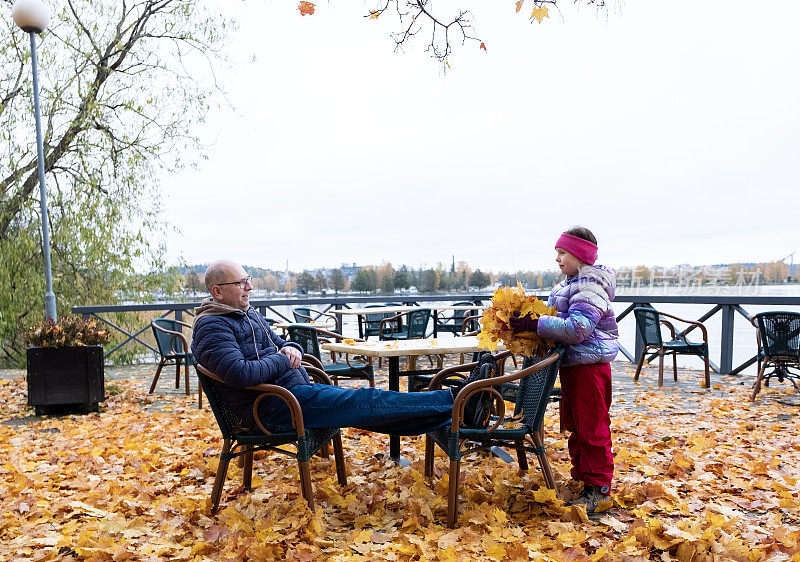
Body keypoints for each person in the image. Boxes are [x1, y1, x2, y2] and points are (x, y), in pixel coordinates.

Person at [191, 259, 495, 436]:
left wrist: (293, 347)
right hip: (273, 409)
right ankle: (458, 398)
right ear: (218, 291)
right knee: (368, 400)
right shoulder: (212, 326)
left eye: (248, 280)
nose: (250, 287)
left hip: (293, 396)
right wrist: (285, 361)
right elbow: (240, 373)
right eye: (241, 283)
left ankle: (460, 410)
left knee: (371, 409)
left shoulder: (246, 313)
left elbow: (281, 344)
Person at [509, 227, 619, 513]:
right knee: (576, 426)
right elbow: (557, 318)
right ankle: (581, 479)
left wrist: (535, 324)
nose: (557, 259)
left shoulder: (590, 285)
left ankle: (600, 489)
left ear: (580, 255)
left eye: (563, 253)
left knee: (593, 427)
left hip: (590, 366)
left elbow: (578, 328)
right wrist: (532, 317)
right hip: (573, 365)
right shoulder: (569, 284)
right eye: (556, 253)